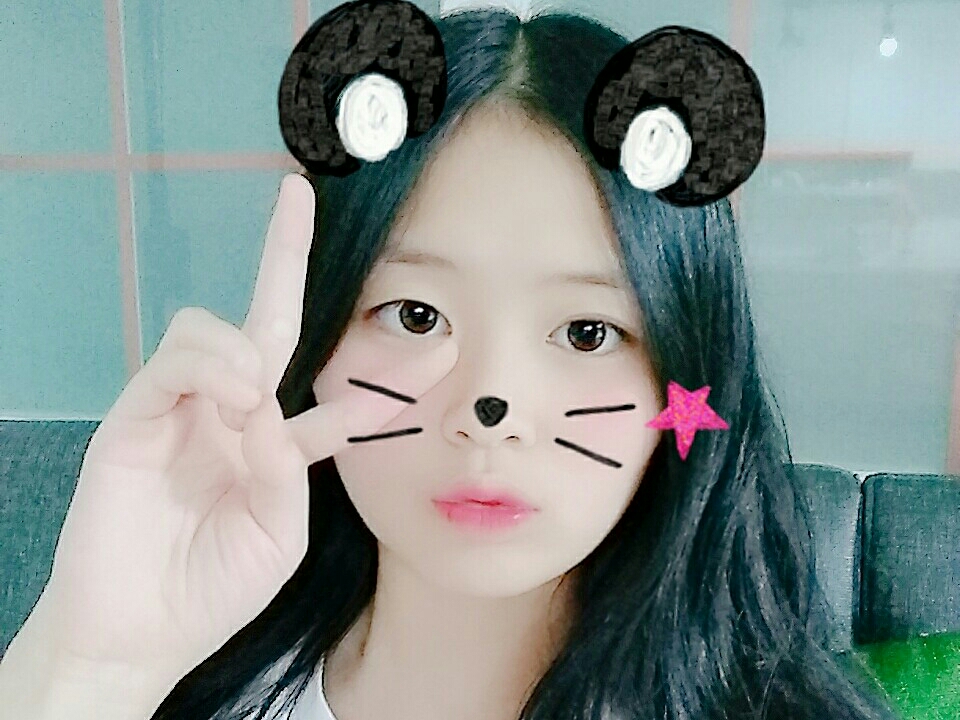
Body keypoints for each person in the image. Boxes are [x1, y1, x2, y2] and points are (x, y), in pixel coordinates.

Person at [0, 3, 905, 720]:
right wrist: (88, 667)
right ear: (318, 339)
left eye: (587, 333)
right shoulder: (185, 691)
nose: (489, 405)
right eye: (416, 315)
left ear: (687, 372)